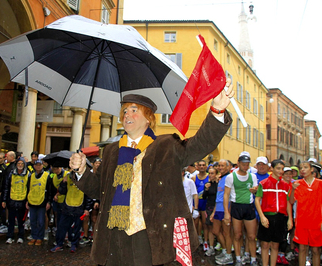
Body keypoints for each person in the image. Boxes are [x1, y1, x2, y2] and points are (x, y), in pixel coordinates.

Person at [69, 83, 234, 266]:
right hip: (113, 238)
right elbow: (99, 190)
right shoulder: (111, 151)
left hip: (151, 236)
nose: (127, 115)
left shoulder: (166, 146)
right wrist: (81, 171)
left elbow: (200, 144)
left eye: (134, 110)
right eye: (124, 111)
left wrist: (217, 111)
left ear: (148, 118)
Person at [254, 159, 292, 266]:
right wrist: (262, 217)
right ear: (272, 169)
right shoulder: (264, 183)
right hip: (267, 216)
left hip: (280, 217)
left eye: (282, 169)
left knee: (276, 245)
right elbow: (257, 200)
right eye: (278, 168)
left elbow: (288, 202)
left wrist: (290, 219)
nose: (280, 171)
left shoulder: (285, 185)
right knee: (265, 244)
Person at [224, 154, 259, 266]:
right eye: (243, 164)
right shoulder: (231, 177)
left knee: (251, 236)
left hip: (249, 207)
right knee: (237, 235)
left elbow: (255, 191)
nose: (245, 166)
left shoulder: (252, 176)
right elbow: (226, 195)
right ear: (238, 163)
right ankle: (238, 258)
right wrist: (226, 212)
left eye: (247, 164)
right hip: (236, 207)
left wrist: (254, 191)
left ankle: (253, 259)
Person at [289, 161, 322, 266]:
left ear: (311, 169)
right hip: (302, 222)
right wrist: (293, 190)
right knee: (302, 249)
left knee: (316, 250)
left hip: (316, 222)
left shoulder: (320, 184)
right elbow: (290, 201)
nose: (302, 169)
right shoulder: (297, 184)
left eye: (305, 167)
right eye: (301, 168)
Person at [211, 159, 234, 265]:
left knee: (227, 233)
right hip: (218, 207)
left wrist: (227, 212)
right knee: (215, 231)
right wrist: (213, 211)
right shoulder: (221, 178)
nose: (220, 168)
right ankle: (225, 250)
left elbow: (229, 196)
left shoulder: (229, 178)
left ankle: (229, 255)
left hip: (225, 209)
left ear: (228, 167)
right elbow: (219, 196)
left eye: (223, 166)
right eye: (219, 166)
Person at [2, 157, 30, 244]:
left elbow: (29, 188)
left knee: (21, 220)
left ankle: (21, 236)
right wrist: (4, 200)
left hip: (22, 199)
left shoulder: (28, 174)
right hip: (12, 199)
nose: (20, 165)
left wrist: (27, 201)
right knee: (11, 220)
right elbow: (6, 187)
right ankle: (10, 236)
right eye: (19, 164)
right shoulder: (11, 174)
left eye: (22, 164)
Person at [26, 159, 51, 246]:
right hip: (32, 201)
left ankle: (40, 237)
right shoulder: (31, 176)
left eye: (40, 165)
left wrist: (48, 201)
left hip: (42, 202)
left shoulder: (47, 176)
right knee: (32, 221)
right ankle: (34, 236)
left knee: (40, 221)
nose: (38, 166)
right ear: (34, 166)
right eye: (37, 165)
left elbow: (50, 190)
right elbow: (28, 188)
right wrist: (27, 201)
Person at [192, 160, 209, 250]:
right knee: (196, 222)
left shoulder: (209, 177)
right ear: (197, 167)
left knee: (205, 223)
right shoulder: (194, 178)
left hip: (205, 203)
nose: (202, 167)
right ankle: (198, 237)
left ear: (206, 167)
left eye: (203, 165)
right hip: (197, 203)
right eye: (200, 165)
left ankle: (205, 241)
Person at [203, 167, 219, 257]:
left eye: (212, 173)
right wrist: (206, 189)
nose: (210, 175)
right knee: (209, 227)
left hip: (218, 207)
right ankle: (211, 247)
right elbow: (204, 197)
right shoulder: (207, 184)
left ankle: (222, 246)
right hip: (209, 207)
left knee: (218, 229)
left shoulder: (219, 184)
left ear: (216, 174)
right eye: (209, 173)